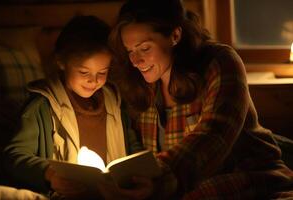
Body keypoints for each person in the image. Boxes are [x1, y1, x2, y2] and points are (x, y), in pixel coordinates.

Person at [109, 0, 293, 199]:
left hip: (250, 181)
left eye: (144, 49)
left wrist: (162, 176)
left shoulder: (220, 62)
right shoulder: (140, 86)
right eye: (130, 51)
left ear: (175, 35)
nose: (136, 61)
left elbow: (214, 134)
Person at [3, 15, 145, 199]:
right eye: (84, 72)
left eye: (102, 72)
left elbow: (132, 145)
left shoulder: (115, 103)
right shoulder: (42, 106)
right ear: (61, 62)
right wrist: (50, 175)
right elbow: (14, 156)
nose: (93, 80)